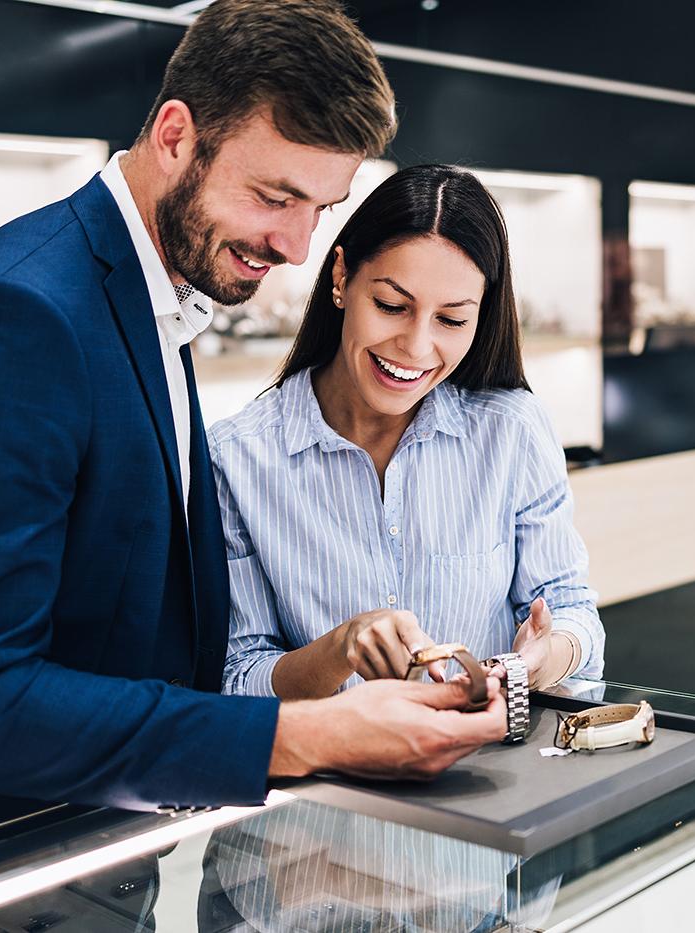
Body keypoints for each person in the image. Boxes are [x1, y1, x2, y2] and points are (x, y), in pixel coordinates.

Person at [0, 0, 503, 858]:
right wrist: (309, 735)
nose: (298, 246)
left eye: (322, 208)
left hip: (90, 861)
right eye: (275, 196)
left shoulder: (151, 302)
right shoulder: (9, 316)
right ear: (174, 135)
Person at [209, 163, 604, 701]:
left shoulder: (510, 430)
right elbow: (237, 676)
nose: (416, 348)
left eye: (451, 320)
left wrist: (545, 656)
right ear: (342, 278)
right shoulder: (235, 459)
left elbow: (571, 610)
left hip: (488, 773)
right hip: (332, 780)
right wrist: (339, 649)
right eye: (392, 306)